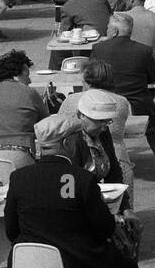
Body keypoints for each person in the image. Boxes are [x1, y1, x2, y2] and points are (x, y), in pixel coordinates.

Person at [2, 121, 148, 268]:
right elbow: (104, 228)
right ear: (68, 143)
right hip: (81, 265)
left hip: (35, 265)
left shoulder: (19, 178)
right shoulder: (81, 179)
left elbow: (11, 229)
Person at [92, 13, 155, 182]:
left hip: (106, 107)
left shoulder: (99, 49)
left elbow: (92, 76)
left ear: (115, 32)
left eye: (109, 27)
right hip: (137, 106)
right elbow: (154, 76)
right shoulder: (143, 51)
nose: (106, 29)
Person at [57, 59, 135, 205]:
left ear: (86, 80)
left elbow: (60, 123)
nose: (104, 127)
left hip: (91, 172)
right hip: (119, 160)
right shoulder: (121, 102)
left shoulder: (70, 100)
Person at [0, 49, 48, 160]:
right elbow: (46, 127)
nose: (30, 81)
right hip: (18, 157)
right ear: (16, 76)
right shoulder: (29, 93)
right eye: (27, 75)